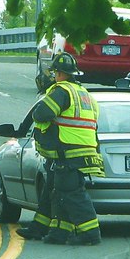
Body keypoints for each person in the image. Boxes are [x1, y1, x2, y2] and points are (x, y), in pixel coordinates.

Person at [32, 52, 104, 246]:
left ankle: (91, 233)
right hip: (86, 151)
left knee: (73, 193)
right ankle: (59, 233)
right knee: (61, 192)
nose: (54, 76)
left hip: (69, 151)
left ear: (60, 74)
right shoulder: (86, 95)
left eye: (55, 72)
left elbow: (42, 114)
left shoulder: (61, 90)